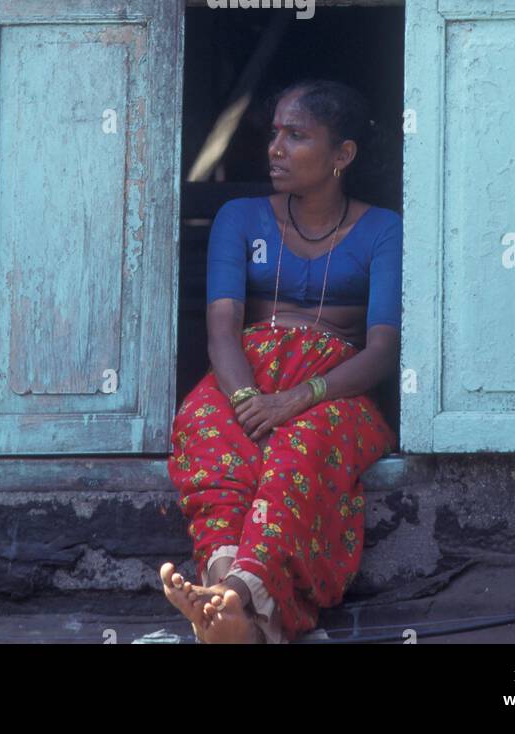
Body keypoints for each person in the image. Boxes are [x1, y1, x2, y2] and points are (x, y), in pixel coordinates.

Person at [160, 78, 402, 643]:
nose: (275, 149)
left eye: (297, 136)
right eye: (275, 134)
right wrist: (246, 403)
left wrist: (298, 399)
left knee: (301, 450)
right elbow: (221, 329)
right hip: (244, 376)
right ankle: (229, 596)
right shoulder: (240, 218)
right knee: (208, 434)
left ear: (342, 154)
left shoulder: (382, 230)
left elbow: (384, 350)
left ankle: (234, 599)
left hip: (334, 389)